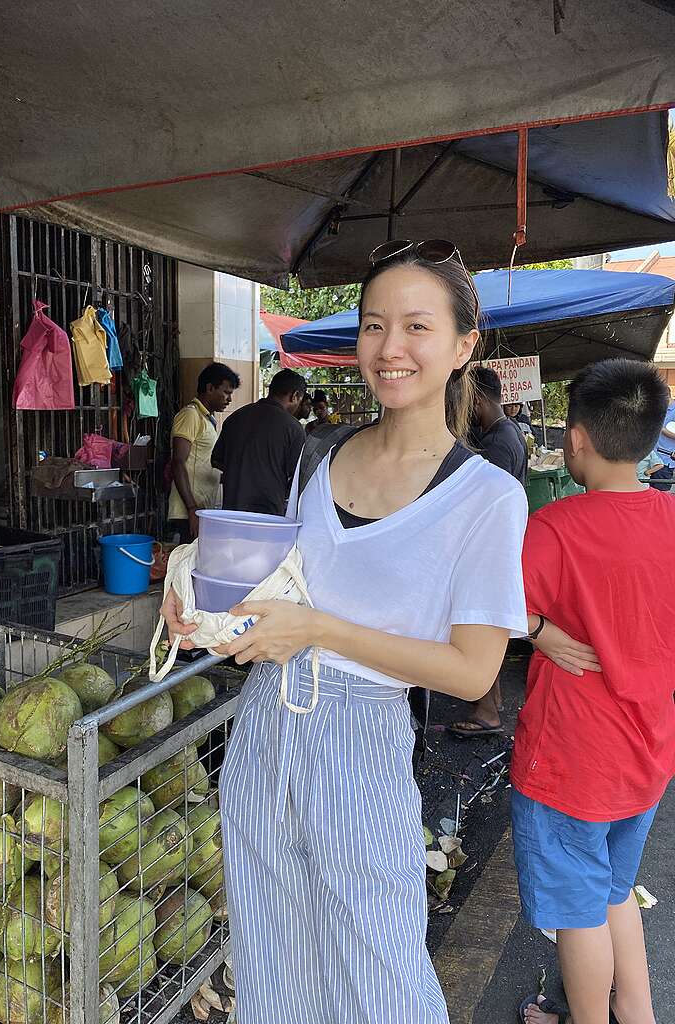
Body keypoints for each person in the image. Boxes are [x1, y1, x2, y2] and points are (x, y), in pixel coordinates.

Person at [164, 239, 528, 1024]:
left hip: (362, 739)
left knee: (380, 973)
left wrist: (318, 629)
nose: (389, 348)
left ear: (464, 344)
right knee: (271, 960)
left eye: (416, 327)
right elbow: (281, 592)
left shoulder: (487, 497)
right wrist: (203, 598)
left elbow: (470, 673)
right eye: (372, 326)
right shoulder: (319, 455)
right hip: (265, 723)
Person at [512, 359, 674, 1024]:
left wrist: (542, 628)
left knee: (579, 914)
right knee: (612, 893)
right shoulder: (669, 516)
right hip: (647, 752)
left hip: (570, 758)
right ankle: (634, 1014)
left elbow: (488, 606)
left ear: (576, 439)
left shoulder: (555, 527)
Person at [448, 365, 528, 738]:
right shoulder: (507, 433)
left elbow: (479, 504)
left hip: (487, 551)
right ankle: (489, 706)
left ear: (475, 399)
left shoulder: (498, 443)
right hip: (495, 548)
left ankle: (487, 711)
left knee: (478, 631)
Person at [211, 368, 306, 516]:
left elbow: (217, 460)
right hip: (269, 515)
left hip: (232, 513)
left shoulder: (235, 418)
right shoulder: (293, 428)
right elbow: (298, 477)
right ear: (295, 396)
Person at [168, 362, 240, 542]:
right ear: (209, 388)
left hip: (201, 509)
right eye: (226, 392)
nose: (229, 399)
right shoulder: (190, 415)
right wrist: (192, 509)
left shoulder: (207, 418)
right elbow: (178, 462)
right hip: (188, 512)